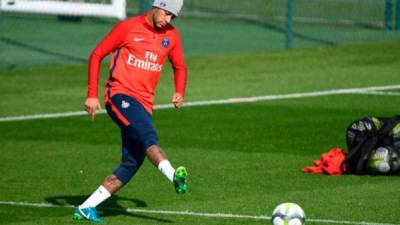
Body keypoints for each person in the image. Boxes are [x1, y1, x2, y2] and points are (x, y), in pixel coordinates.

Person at [73, 0, 188, 222]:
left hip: (145, 104)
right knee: (148, 136)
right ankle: (174, 175)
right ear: (157, 6)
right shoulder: (128, 27)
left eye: (173, 17)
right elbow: (97, 55)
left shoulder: (171, 36)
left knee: (132, 162)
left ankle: (85, 208)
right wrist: (91, 94)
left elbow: (180, 66)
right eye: (166, 14)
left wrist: (179, 91)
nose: (168, 20)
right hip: (119, 96)